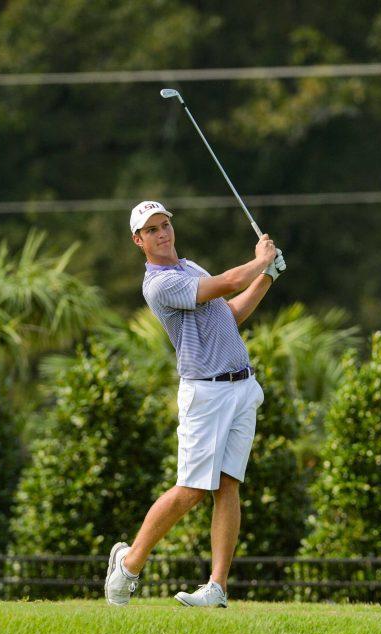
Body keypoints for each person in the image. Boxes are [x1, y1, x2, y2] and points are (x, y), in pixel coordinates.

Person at [104, 200, 286, 608]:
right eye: (151, 230)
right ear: (139, 240)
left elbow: (229, 313)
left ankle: (217, 587)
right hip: (206, 394)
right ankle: (129, 565)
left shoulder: (189, 268)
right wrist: (259, 262)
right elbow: (224, 286)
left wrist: (267, 277)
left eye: (165, 224)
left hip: (241, 387)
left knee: (228, 486)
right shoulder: (159, 283)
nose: (162, 233)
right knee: (191, 490)